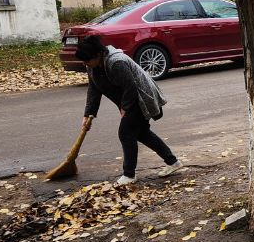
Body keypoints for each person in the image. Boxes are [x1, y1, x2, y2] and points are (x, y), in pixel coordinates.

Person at [75, 35, 180, 185]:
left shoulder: (116, 62)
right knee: (142, 133)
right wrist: (88, 114)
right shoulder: (92, 65)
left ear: (97, 54)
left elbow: (130, 87)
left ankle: (129, 174)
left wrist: (125, 107)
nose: (85, 64)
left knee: (125, 133)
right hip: (129, 100)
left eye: (87, 60)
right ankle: (173, 162)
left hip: (140, 99)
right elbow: (94, 89)